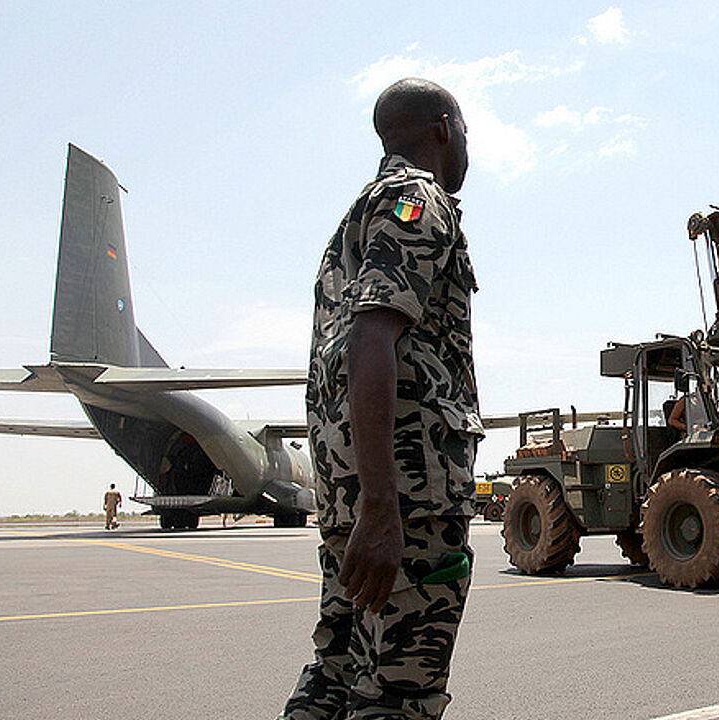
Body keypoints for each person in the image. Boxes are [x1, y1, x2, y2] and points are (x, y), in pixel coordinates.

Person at [279, 78, 481, 720]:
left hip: (354, 496)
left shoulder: (355, 219)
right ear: (444, 130)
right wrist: (383, 506)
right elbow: (373, 338)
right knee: (399, 694)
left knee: (336, 680)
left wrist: (361, 502)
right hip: (406, 500)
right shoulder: (415, 200)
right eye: (467, 132)